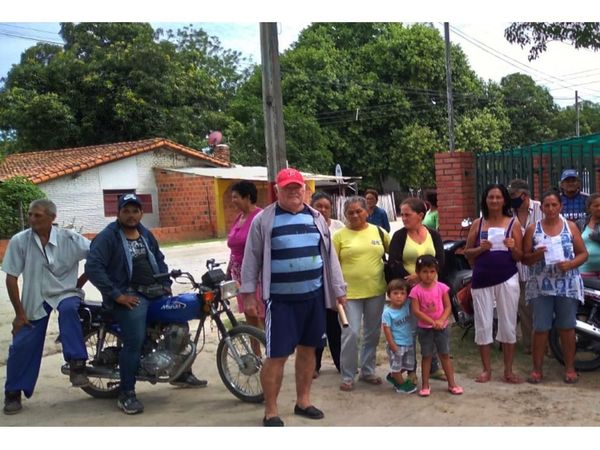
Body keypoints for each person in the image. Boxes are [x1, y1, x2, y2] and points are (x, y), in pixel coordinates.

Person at [240, 168, 347, 427]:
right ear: (277, 190)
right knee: (277, 356)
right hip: (281, 301)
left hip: (314, 297)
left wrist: (338, 290)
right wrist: (248, 294)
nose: (293, 192)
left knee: (309, 350)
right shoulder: (264, 220)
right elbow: (251, 258)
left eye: (297, 187)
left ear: (305, 190)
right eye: (287, 188)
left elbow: (329, 256)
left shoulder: (316, 218)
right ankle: (271, 410)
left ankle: (303, 401)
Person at [85, 193, 206, 415]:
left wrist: (166, 282)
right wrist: (117, 295)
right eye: (126, 211)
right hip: (128, 296)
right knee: (134, 340)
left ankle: (181, 373)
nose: (131, 215)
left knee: (179, 321)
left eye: (135, 211)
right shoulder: (108, 237)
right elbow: (93, 268)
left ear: (141, 213)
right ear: (118, 213)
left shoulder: (145, 233)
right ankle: (126, 394)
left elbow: (159, 259)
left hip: (153, 292)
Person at [3, 199, 90, 415]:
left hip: (65, 294)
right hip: (35, 297)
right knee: (22, 344)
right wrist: (19, 314)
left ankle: (77, 363)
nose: (32, 219)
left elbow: (97, 257)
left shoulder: (70, 239)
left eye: (38, 216)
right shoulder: (20, 241)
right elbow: (11, 278)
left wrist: (78, 283)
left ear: (52, 218)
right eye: (31, 215)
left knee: (69, 310)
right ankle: (13, 392)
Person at [522, 190, 588, 384]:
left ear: (561, 207)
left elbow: (583, 254)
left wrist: (571, 264)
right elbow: (524, 259)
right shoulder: (533, 229)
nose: (550, 209)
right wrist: (537, 255)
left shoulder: (571, 227)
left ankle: (569, 367)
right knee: (540, 327)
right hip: (541, 286)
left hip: (567, 284)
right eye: (547, 205)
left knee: (567, 327)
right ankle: (537, 369)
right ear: (541, 208)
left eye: (554, 205)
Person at [464, 184, 523, 384]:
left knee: (508, 324)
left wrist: (513, 247)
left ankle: (508, 370)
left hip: (507, 278)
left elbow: (520, 256)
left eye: (498, 197)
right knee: (483, 323)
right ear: (485, 200)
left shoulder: (513, 224)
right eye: (491, 197)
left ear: (504, 200)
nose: (495, 201)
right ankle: (486, 370)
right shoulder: (477, 223)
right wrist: (480, 249)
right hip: (482, 279)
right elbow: (467, 253)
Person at [334, 196, 390, 392]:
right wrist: (335, 291)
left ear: (367, 211)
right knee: (351, 333)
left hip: (376, 291)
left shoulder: (379, 232)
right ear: (345, 215)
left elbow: (396, 252)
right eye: (350, 212)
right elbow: (332, 266)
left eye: (359, 211)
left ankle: (367, 371)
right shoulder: (339, 236)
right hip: (349, 294)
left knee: (372, 334)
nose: (355, 215)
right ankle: (348, 375)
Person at [388, 197, 446, 382]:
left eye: (407, 214)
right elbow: (393, 263)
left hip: (431, 290)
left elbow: (441, 260)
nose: (403, 218)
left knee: (431, 327)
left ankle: (434, 367)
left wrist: (424, 277)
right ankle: (411, 369)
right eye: (402, 214)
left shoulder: (433, 235)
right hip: (409, 291)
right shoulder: (399, 236)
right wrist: (411, 278)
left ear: (420, 215)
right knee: (410, 331)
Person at [410, 255, 463, 397]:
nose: (429, 275)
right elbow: (416, 310)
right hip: (425, 329)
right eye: (425, 271)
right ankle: (425, 385)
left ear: (436, 272)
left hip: (442, 327)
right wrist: (431, 322)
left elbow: (447, 307)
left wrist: (441, 320)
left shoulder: (442, 288)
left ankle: (452, 383)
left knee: (444, 354)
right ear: (418, 272)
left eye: (432, 271)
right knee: (426, 355)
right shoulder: (415, 291)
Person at [310, 191, 345, 377]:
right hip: (315, 284)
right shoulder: (308, 225)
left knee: (334, 326)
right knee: (316, 326)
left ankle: (341, 363)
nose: (323, 210)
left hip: (333, 285)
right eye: (319, 206)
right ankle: (314, 365)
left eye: (326, 207)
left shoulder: (339, 227)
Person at [508, 178, 543, 355]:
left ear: (524, 195)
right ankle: (529, 345)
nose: (511, 198)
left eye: (513, 195)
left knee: (544, 310)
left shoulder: (541, 208)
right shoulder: (508, 213)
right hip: (519, 271)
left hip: (541, 270)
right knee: (525, 309)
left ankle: (549, 346)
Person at [226, 180, 264, 329]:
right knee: (250, 320)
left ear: (247, 197)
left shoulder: (260, 217)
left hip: (256, 276)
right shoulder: (239, 218)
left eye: (236, 197)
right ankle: (255, 352)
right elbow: (233, 248)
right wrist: (228, 271)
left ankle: (270, 351)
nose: (233, 201)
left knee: (260, 315)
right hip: (238, 277)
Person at [382, 278, 417, 394]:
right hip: (396, 344)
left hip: (408, 342)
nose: (399, 296)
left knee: (407, 364)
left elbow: (414, 293)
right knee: (397, 366)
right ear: (389, 295)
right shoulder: (387, 313)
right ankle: (401, 385)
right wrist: (392, 345)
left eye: (402, 293)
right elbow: (386, 330)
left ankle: (393, 376)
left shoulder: (407, 305)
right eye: (395, 293)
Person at [576, 193, 600, 277]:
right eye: (596, 206)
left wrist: (597, 237)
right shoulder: (581, 223)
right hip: (585, 268)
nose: (599, 208)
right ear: (589, 208)